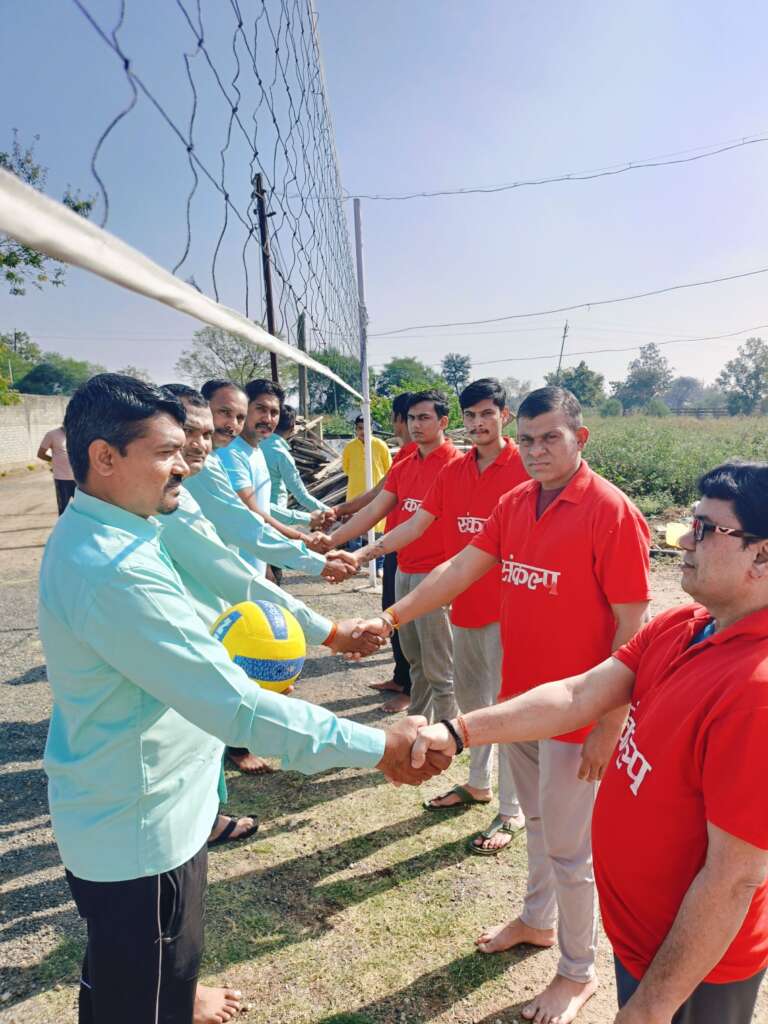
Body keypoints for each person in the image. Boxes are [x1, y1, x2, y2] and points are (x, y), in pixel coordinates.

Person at [39, 373, 451, 1024]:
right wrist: (379, 745)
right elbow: (240, 708)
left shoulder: (123, 530)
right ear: (104, 458)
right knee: (141, 995)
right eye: (167, 451)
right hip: (142, 828)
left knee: (131, 974)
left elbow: (227, 577)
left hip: (140, 803)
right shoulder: (116, 570)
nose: (186, 464)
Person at [413, 461, 768, 1024]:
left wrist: (650, 1008)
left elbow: (734, 878)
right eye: (690, 521)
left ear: (762, 555)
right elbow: (578, 694)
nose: (684, 539)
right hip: (641, 940)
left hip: (695, 970)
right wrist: (458, 732)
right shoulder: (684, 625)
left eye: (705, 528)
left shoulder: (756, 692)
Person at [353, 386, 651, 1024]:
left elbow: (633, 628)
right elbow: (460, 568)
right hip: (521, 703)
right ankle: (537, 922)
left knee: (571, 850)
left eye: (552, 438)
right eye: (531, 439)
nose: (538, 451)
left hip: (577, 716)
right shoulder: (516, 502)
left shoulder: (611, 512)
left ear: (580, 438)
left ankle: (578, 971)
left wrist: (609, 723)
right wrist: (391, 617)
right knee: (538, 827)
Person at [160, 383, 383, 846]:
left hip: (226, 599)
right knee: (202, 714)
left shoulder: (207, 469)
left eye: (220, 424)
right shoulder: (175, 490)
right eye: (192, 430)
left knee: (205, 717)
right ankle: (196, 818)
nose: (211, 435)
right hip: (208, 606)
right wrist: (329, 625)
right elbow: (237, 545)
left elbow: (253, 521)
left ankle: (206, 813)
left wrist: (311, 537)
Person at [351, 378, 529, 849]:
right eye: (471, 415)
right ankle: (478, 784)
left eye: (487, 413)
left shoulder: (525, 468)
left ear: (505, 415)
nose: (478, 423)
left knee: (509, 709)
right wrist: (364, 553)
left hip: (510, 610)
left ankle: (511, 811)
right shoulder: (454, 472)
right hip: (464, 605)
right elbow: (416, 524)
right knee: (476, 705)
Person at [192, 378, 355, 774]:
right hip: (224, 572)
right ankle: (235, 744)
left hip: (248, 564)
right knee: (234, 661)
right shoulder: (218, 459)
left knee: (250, 658)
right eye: (226, 413)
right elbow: (249, 522)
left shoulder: (252, 451)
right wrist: (311, 552)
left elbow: (266, 510)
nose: (240, 422)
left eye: (271, 412)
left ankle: (239, 737)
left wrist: (305, 525)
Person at [330, 390, 462, 723]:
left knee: (440, 667)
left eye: (425, 418)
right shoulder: (405, 465)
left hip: (437, 576)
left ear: (443, 422)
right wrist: (333, 542)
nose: (416, 425)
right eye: (412, 418)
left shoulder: (457, 466)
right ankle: (417, 725)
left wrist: (358, 554)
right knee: (414, 658)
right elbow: (375, 509)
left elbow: (425, 525)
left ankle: (447, 734)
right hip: (404, 567)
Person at [328, 393, 417, 712]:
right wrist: (341, 512)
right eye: (412, 418)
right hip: (394, 545)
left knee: (410, 623)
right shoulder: (406, 455)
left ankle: (412, 689)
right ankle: (400, 677)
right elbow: (380, 496)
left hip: (415, 552)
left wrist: (339, 519)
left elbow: (379, 498)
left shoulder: (430, 458)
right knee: (390, 611)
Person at [261, 403, 333, 524]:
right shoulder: (281, 454)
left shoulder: (255, 445)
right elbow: (301, 495)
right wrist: (329, 512)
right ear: (292, 427)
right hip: (275, 518)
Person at [341, 414, 392, 545]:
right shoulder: (349, 447)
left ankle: (378, 558)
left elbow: (389, 468)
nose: (363, 431)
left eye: (366, 428)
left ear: (372, 428)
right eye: (359, 428)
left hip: (376, 495)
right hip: (355, 495)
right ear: (355, 429)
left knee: (377, 533)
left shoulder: (380, 445)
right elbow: (346, 468)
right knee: (354, 532)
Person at [37, 424, 75, 514]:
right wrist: (53, 460)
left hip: (79, 479)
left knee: (83, 509)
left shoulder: (78, 434)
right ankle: (63, 523)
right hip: (62, 479)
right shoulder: (52, 434)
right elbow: (41, 454)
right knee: (63, 509)